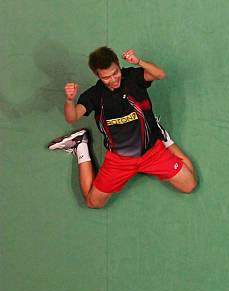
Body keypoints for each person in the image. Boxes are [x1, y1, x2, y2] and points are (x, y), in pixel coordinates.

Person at [48, 47, 197, 208]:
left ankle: (161, 134)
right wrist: (69, 100)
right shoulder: (94, 95)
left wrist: (138, 61)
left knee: (189, 185)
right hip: (119, 161)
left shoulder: (132, 78)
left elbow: (159, 74)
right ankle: (80, 145)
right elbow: (72, 117)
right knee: (93, 203)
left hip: (152, 152)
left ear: (118, 64)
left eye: (115, 73)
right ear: (97, 75)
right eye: (106, 77)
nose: (113, 80)